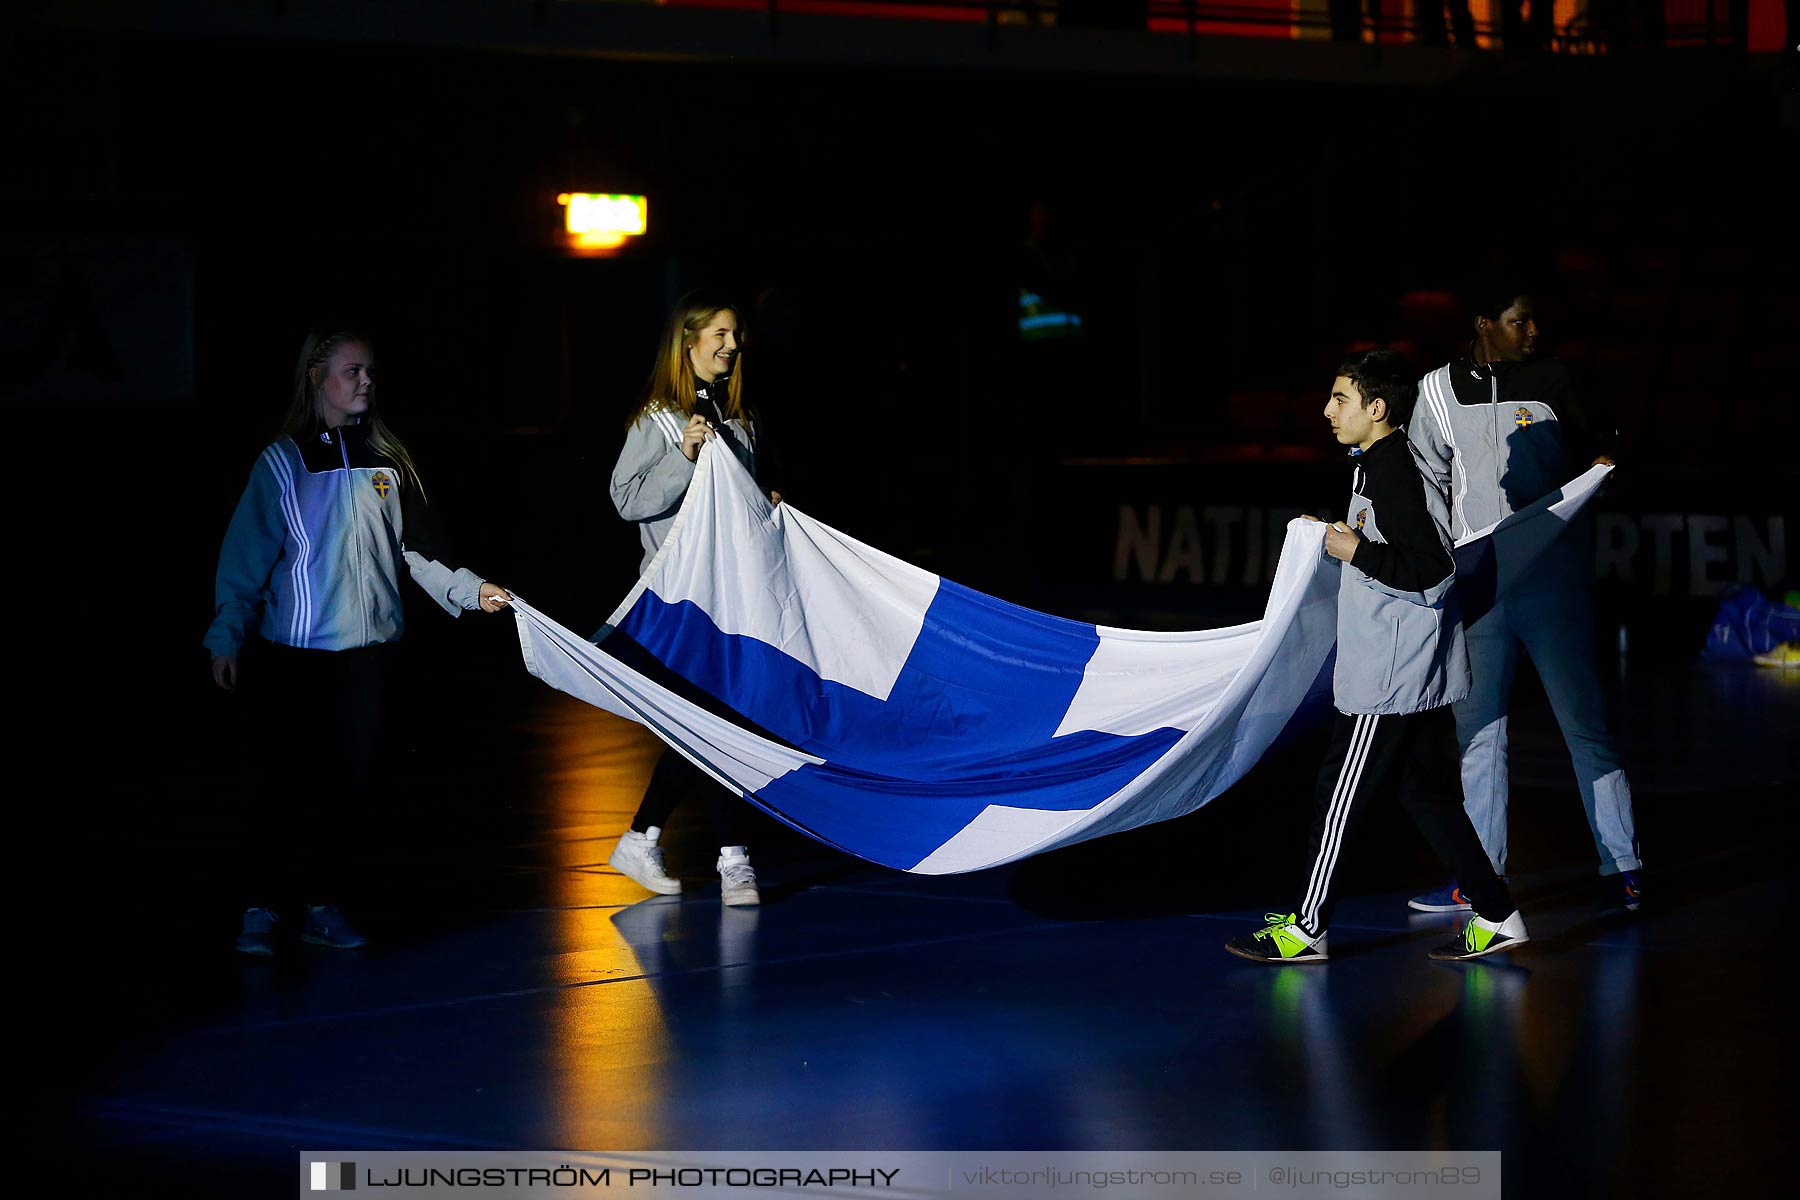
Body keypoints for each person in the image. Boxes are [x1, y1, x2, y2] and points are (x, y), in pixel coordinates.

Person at [205, 326, 512, 957]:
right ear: (318, 376)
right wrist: (226, 635)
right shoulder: (282, 462)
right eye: (353, 371)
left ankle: (323, 906)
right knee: (284, 782)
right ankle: (260, 908)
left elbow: (416, 553)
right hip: (296, 653)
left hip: (368, 657)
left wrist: (469, 589)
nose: (365, 381)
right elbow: (245, 559)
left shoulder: (388, 463)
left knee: (350, 783)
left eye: (370, 371)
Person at [1226, 349, 1528, 965]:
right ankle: (1498, 913)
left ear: (1378, 408)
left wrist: (1356, 550)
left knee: (1337, 794)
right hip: (1399, 661)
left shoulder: (1394, 471)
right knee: (1424, 793)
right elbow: (1401, 545)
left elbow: (1432, 566)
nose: (1327, 409)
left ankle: (1308, 928)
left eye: (1341, 399)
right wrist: (1339, 537)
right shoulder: (1381, 464)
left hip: (1389, 672)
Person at [1406, 286, 1642, 914]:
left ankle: (1624, 866)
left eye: (1534, 317)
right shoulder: (1433, 391)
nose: (1533, 330)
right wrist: (1439, 567)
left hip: (1553, 585)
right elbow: (1425, 483)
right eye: (1519, 320)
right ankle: (1480, 885)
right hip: (1478, 588)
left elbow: (1601, 461)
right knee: (1479, 734)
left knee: (1583, 724)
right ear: (1485, 324)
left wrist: (1605, 467)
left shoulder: (1556, 379)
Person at [605, 290, 772, 908]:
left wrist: (768, 508)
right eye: (720, 335)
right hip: (679, 602)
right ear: (690, 341)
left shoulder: (739, 419)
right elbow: (626, 501)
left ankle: (642, 836)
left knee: (705, 724)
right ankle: (734, 859)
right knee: (714, 721)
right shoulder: (657, 419)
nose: (731, 346)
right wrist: (681, 455)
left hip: (733, 601)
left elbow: (743, 507)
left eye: (735, 336)